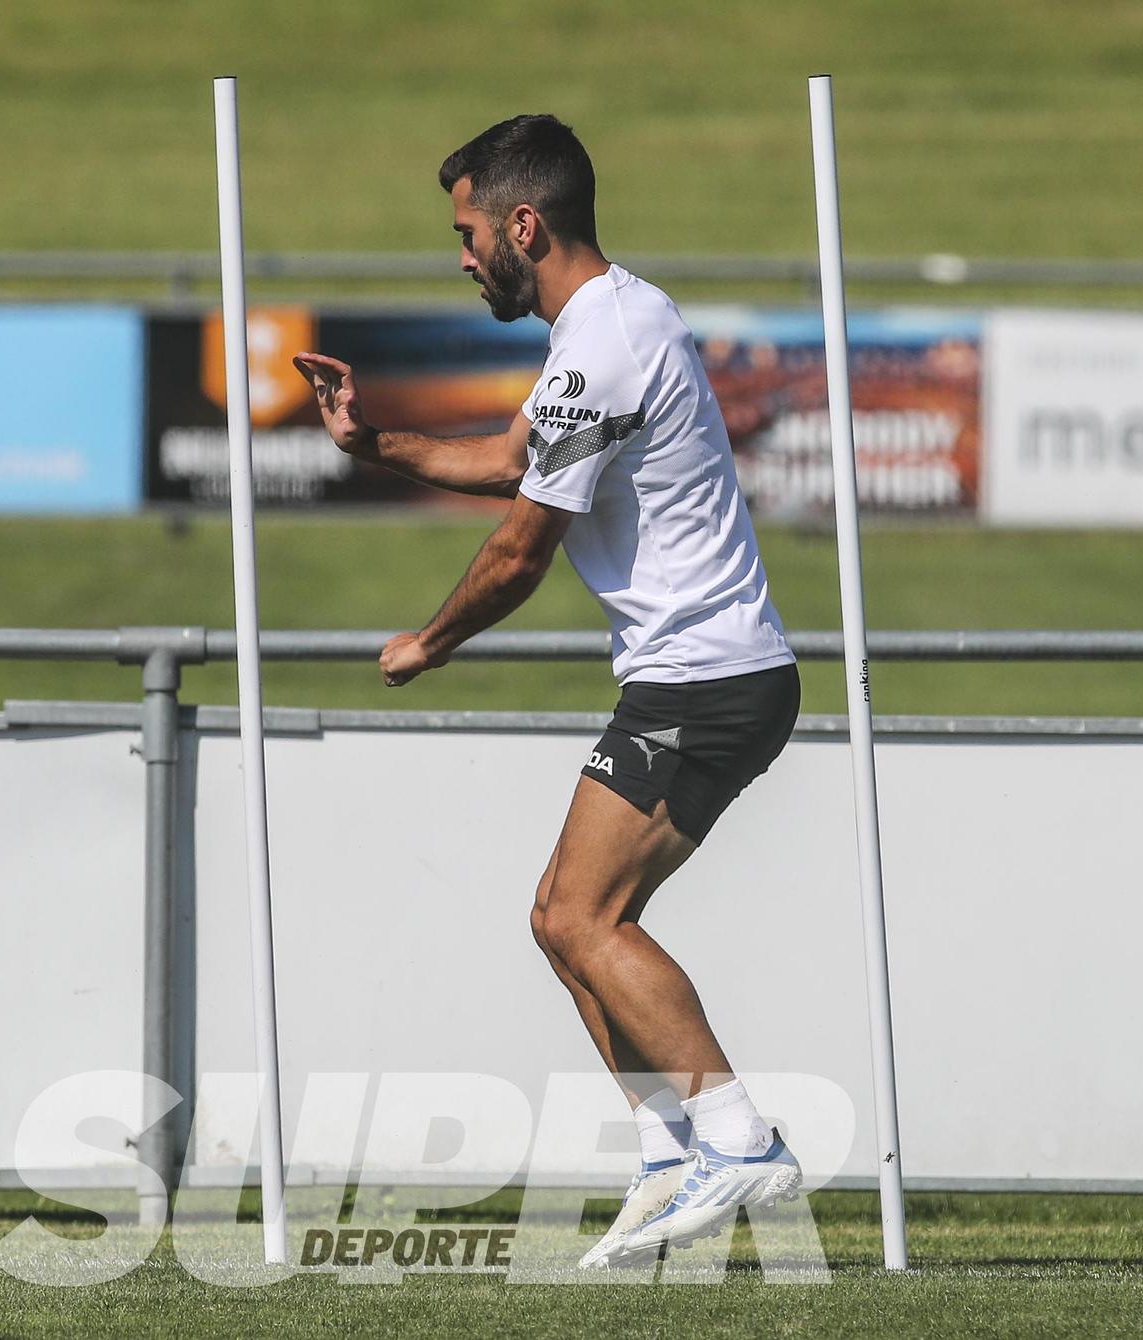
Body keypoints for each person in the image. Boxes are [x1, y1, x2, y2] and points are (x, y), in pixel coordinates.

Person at [293, 114, 803, 1268]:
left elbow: (521, 548)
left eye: (468, 232)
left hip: (703, 678)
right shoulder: (615, 317)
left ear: (524, 224)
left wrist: (426, 642)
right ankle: (673, 1152)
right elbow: (510, 460)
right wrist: (371, 442)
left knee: (583, 916)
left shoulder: (600, 347)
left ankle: (737, 1136)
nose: (462, 255)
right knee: (556, 918)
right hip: (702, 676)